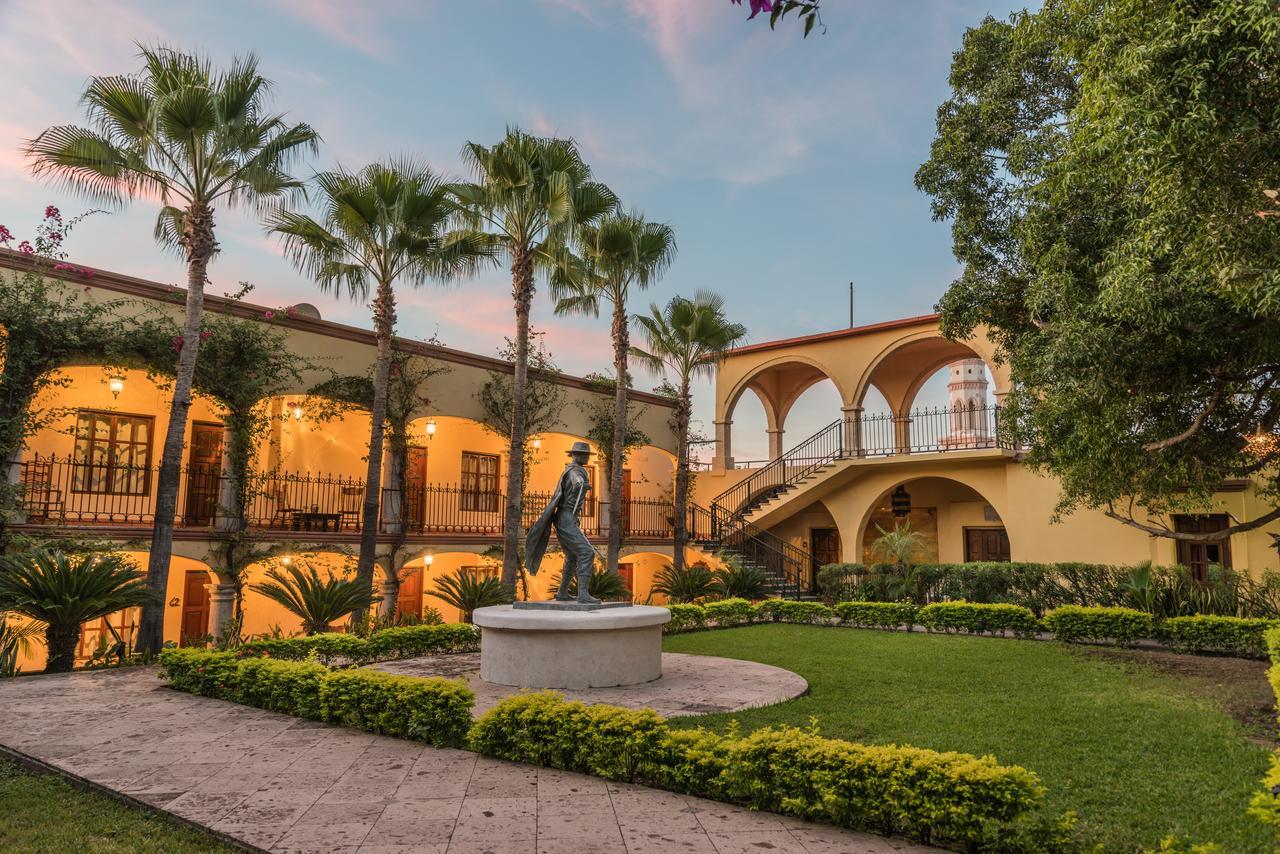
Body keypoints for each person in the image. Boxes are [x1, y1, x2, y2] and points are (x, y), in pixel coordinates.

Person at [525, 441, 600, 603]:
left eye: (587, 455)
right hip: (566, 518)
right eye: (585, 455)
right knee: (587, 552)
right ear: (576, 455)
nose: (587, 457)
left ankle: (562, 593)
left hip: (566, 518)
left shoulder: (571, 470)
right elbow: (577, 481)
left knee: (572, 555)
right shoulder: (575, 471)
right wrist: (582, 484)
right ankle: (583, 595)